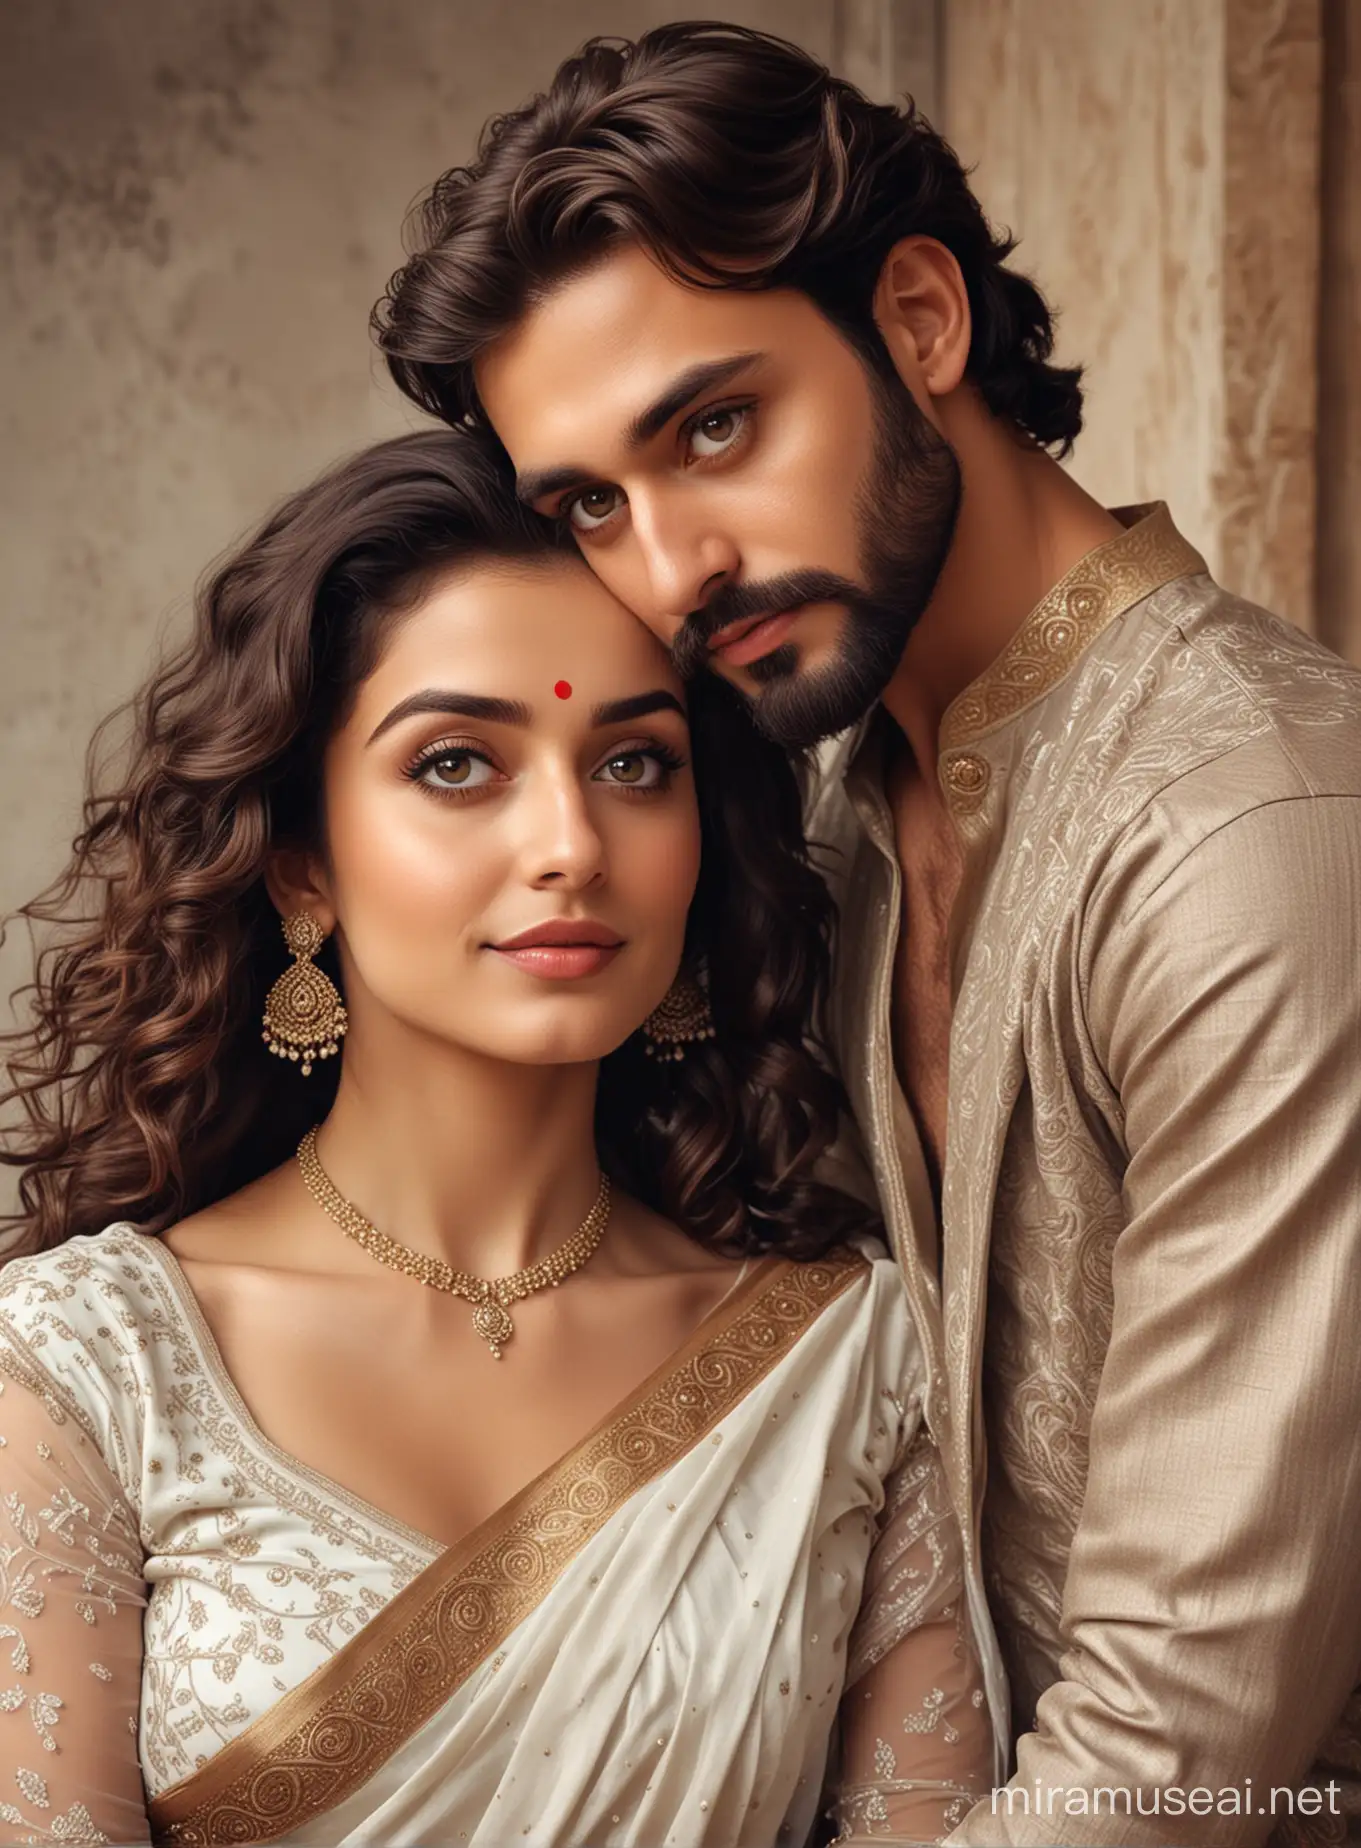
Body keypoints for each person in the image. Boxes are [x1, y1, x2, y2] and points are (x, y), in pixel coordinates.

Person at [371, 21, 1361, 1845]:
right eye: (594, 502)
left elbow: (1179, 1760)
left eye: (715, 426)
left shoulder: (1257, 829)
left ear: (919, 323)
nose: (673, 566)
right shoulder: (832, 830)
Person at [0, 431, 995, 1846]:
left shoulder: (852, 1366)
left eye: (636, 763)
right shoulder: (92, 1363)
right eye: (459, 763)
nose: (572, 844)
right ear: (303, 864)